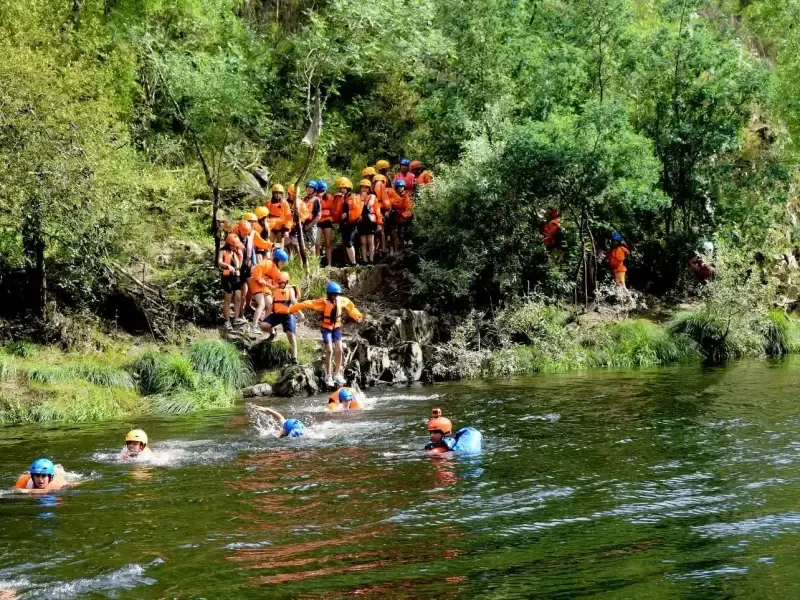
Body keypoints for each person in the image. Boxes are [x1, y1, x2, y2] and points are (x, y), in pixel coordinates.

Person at [290, 281, 364, 388]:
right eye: (333, 295)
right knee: (329, 350)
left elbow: (351, 308)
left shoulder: (342, 300)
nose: (335, 297)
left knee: (339, 349)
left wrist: (358, 316)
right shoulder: (322, 302)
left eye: (337, 294)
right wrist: (291, 309)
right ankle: (328, 375)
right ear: (329, 295)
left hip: (337, 328)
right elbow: (307, 303)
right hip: (326, 328)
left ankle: (337, 374)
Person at [258, 271, 299, 362]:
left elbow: (293, 301)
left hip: (288, 315)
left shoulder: (290, 289)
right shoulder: (277, 290)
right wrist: (265, 319)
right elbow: (271, 306)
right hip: (277, 314)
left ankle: (294, 357)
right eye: (278, 283)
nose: (279, 285)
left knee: (291, 335)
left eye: (281, 283)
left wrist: (300, 311)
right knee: (263, 326)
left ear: (286, 282)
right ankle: (273, 332)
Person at [248, 248, 289, 333]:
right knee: (261, 304)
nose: (283, 264)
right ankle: (253, 326)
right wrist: (260, 279)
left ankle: (263, 323)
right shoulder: (267, 263)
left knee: (270, 305)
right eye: (282, 262)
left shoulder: (277, 270)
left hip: (265, 287)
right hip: (257, 283)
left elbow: (275, 283)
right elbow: (256, 270)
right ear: (277, 259)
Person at [218, 232, 243, 330]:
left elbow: (239, 266)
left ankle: (236, 318)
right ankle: (227, 320)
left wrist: (241, 257)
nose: (234, 247)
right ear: (228, 243)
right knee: (228, 298)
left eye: (235, 245)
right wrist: (227, 265)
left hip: (236, 277)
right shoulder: (223, 250)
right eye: (233, 245)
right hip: (227, 277)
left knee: (238, 297)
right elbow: (219, 262)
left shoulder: (238, 250)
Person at [337, 177, 362, 267]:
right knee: (346, 242)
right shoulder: (343, 198)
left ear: (348, 188)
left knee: (349, 242)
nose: (342, 190)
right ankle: (351, 261)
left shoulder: (353, 197)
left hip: (351, 223)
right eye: (341, 188)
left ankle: (354, 262)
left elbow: (357, 211)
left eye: (344, 188)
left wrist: (347, 214)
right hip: (345, 223)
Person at [356, 178, 381, 265]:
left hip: (370, 221)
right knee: (363, 242)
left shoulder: (373, 197)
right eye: (363, 187)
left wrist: (379, 223)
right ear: (360, 188)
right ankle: (364, 259)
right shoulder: (357, 197)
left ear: (369, 188)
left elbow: (377, 211)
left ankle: (371, 260)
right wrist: (361, 199)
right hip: (361, 222)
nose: (364, 189)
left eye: (366, 187)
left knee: (370, 241)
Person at [387, 178, 413, 252]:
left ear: (404, 187)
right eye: (398, 187)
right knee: (394, 234)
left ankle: (402, 249)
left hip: (404, 219)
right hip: (395, 219)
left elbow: (408, 208)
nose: (400, 188)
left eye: (401, 187)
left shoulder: (407, 196)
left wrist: (402, 215)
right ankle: (395, 251)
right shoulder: (393, 196)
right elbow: (391, 203)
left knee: (402, 234)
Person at [316, 180, 336, 267]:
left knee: (328, 243)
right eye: (320, 191)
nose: (321, 192)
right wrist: (319, 198)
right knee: (317, 243)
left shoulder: (330, 198)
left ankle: (329, 264)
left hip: (327, 222)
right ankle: (316, 264)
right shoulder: (315, 198)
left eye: (323, 191)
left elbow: (333, 210)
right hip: (318, 222)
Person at [606, 232, 631, 300]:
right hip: (616, 270)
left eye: (616, 241)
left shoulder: (621, 248)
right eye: (613, 240)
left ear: (618, 241)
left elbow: (627, 253)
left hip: (620, 270)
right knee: (620, 287)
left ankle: (631, 301)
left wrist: (624, 256)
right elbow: (608, 256)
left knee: (622, 287)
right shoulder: (612, 250)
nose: (614, 242)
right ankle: (626, 302)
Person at [300, 180, 321, 257]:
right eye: (308, 187)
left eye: (311, 188)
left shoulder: (316, 200)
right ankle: (306, 262)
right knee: (304, 245)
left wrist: (309, 225)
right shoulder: (303, 199)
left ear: (314, 190)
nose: (309, 189)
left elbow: (318, 216)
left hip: (311, 225)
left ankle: (313, 262)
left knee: (311, 245)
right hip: (302, 224)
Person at [372, 173, 390, 255]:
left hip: (378, 208)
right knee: (380, 230)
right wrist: (387, 209)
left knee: (379, 230)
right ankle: (381, 248)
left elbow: (385, 200)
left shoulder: (375, 186)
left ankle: (380, 249)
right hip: (378, 208)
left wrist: (386, 209)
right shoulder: (381, 186)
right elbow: (385, 200)